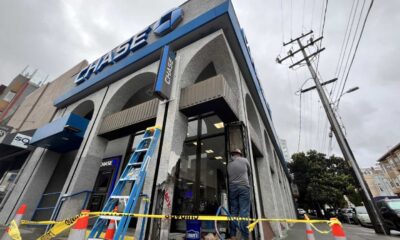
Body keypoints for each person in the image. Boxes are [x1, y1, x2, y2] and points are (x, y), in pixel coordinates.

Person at [227, 148, 251, 240]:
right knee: (244, 211)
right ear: (240, 154)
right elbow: (249, 173)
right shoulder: (245, 160)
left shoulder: (229, 164)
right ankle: (244, 236)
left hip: (232, 188)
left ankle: (233, 235)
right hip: (243, 187)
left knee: (234, 212)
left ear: (232, 155)